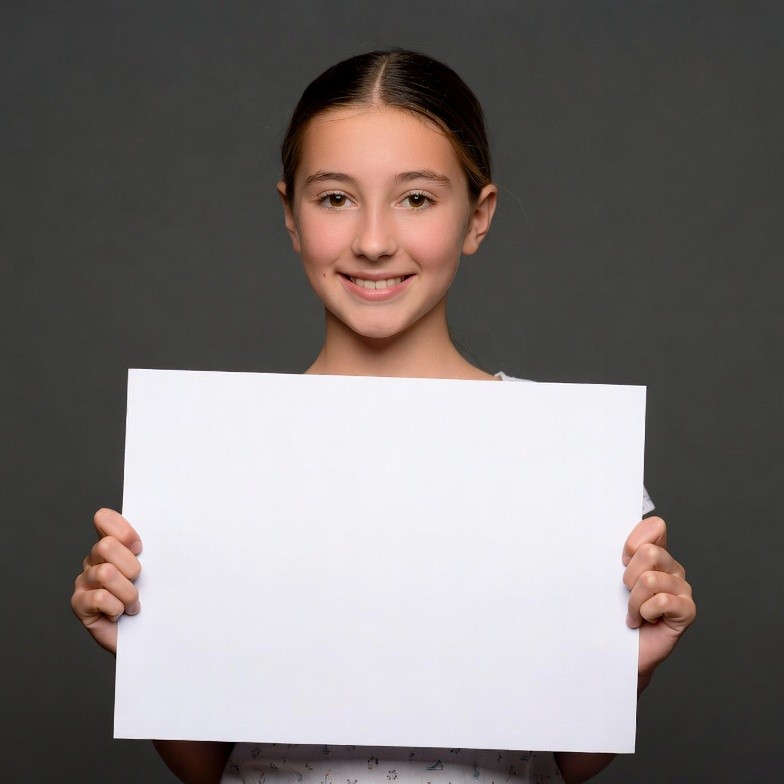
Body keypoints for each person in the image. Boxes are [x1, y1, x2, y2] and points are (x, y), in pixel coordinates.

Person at [71, 50, 696, 784]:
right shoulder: (221, 455)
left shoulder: (564, 457)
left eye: (417, 198)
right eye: (335, 197)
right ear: (290, 215)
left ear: (478, 216)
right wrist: (145, 645)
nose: (372, 241)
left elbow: (573, 761)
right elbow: (203, 767)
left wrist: (631, 663)